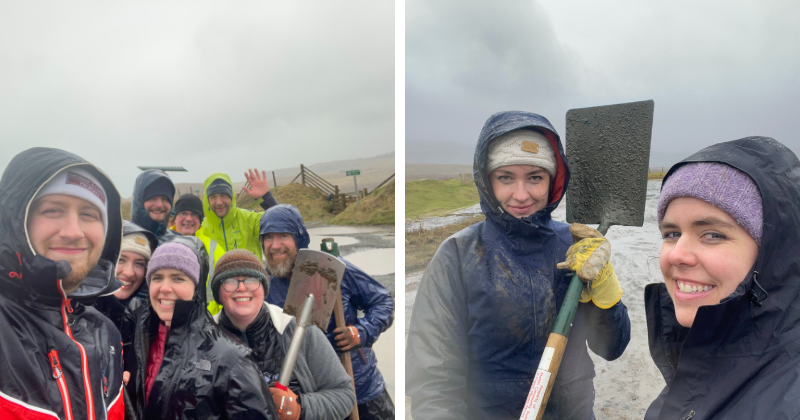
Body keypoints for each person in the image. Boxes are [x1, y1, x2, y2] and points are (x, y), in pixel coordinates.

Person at [405, 111, 631, 420]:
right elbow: (432, 378)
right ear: (487, 181)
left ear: (553, 181)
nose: (521, 195)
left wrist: (607, 292)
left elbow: (612, 348)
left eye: (535, 177)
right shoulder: (457, 255)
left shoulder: (577, 247)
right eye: (506, 177)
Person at [645, 136, 800, 419]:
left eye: (713, 234)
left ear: (773, 251)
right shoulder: (702, 356)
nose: (677, 255)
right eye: (671, 234)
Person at [0, 147, 126, 418]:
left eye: (89, 214)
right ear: (15, 221)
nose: (73, 232)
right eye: (53, 210)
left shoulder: (106, 332)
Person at [262, 204, 395, 419]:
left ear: (299, 238)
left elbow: (383, 301)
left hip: (361, 389)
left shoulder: (331, 268)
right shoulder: (264, 287)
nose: (275, 245)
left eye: (283, 236)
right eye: (268, 237)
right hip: (314, 401)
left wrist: (361, 333)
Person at [124, 242, 280, 419]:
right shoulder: (138, 338)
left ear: (196, 287)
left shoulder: (232, 359)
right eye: (157, 277)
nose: (165, 288)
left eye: (178, 278)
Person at [210, 249, 357, 420]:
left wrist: (299, 408)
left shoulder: (298, 330)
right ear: (218, 293)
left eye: (251, 280)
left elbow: (344, 395)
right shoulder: (203, 340)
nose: (242, 288)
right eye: (230, 281)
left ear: (263, 289)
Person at [196, 169, 279, 314]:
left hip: (252, 300)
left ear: (232, 197)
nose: (219, 202)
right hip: (216, 312)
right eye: (213, 196)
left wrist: (266, 197)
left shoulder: (249, 220)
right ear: (207, 199)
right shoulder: (200, 229)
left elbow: (283, 222)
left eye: (224, 195)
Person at [94, 220, 158, 330]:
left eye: (139, 263)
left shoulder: (138, 312)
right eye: (121, 259)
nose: (129, 273)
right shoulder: (73, 312)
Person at [131, 169, 176, 239]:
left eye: (165, 199)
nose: (159, 205)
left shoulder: (178, 244)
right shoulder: (121, 240)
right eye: (152, 198)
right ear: (139, 202)